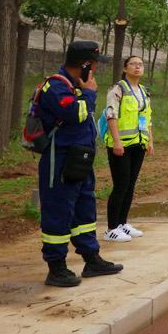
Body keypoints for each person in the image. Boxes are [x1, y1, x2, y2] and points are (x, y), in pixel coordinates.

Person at [38, 41, 123, 287]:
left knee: (84, 209)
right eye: (95, 64)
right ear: (86, 64)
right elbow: (75, 114)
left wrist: (85, 92)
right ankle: (56, 267)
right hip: (61, 159)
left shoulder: (76, 85)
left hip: (81, 157)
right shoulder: (54, 86)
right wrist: (89, 93)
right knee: (58, 210)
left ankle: (91, 258)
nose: (97, 68)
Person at [103, 56, 154, 243]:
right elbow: (111, 115)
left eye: (140, 64)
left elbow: (147, 117)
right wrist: (116, 142)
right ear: (125, 68)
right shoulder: (118, 89)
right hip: (121, 145)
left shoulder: (142, 91)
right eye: (133, 64)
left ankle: (122, 223)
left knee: (130, 184)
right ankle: (111, 228)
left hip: (138, 144)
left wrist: (150, 141)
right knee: (121, 185)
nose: (137, 67)